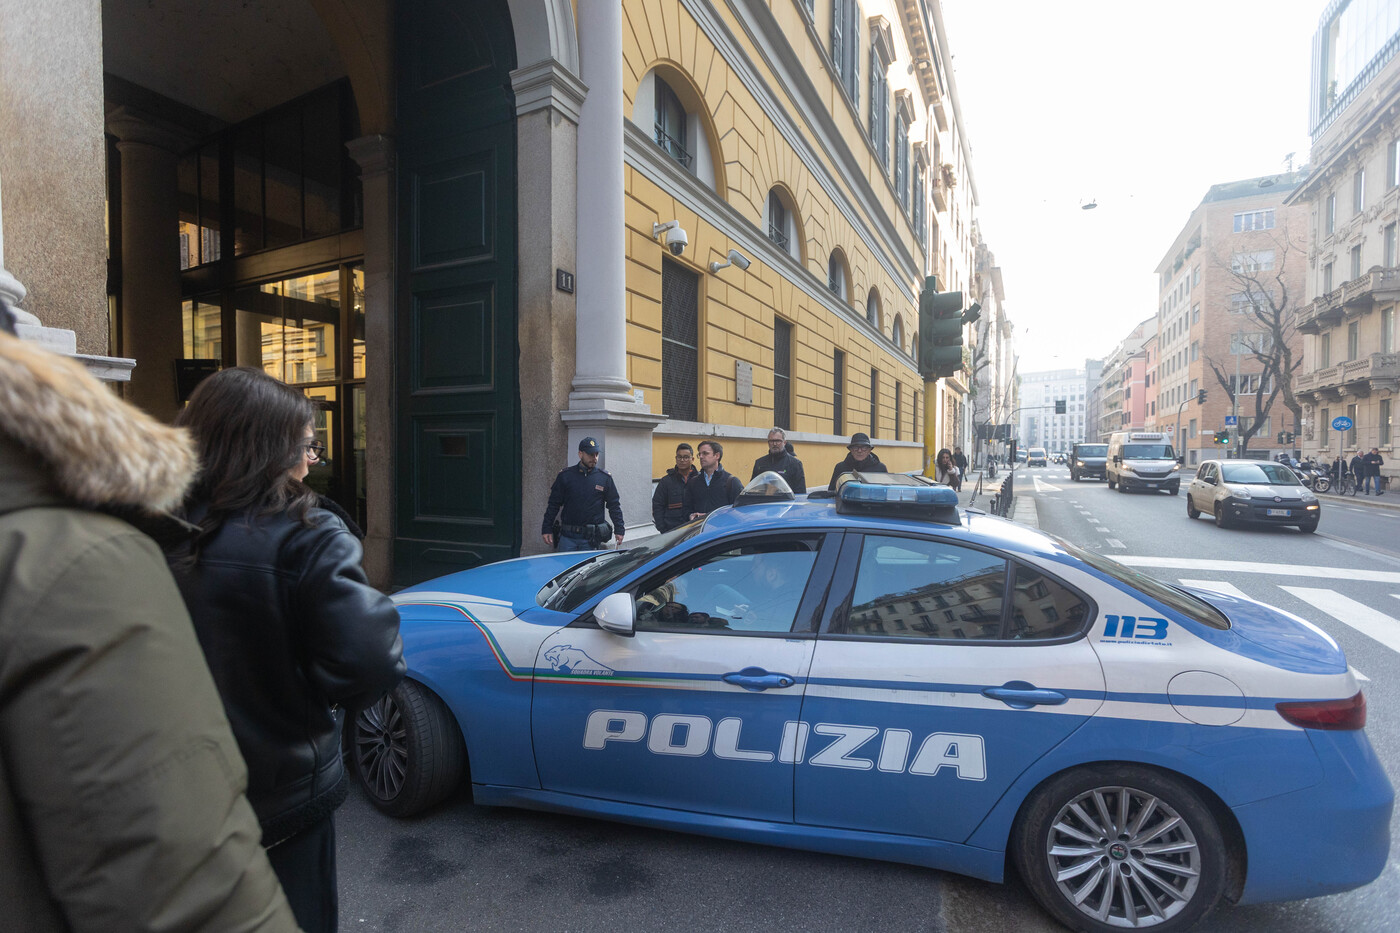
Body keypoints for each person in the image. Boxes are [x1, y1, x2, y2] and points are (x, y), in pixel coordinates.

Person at [0, 304, 299, 931]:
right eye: (304, 444)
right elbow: (184, 888)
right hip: (284, 775)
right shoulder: (76, 557)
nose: (312, 458)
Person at [168, 366, 405, 933]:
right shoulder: (307, 534)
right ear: (267, 449)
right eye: (303, 447)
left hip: (169, 799)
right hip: (280, 797)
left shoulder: (148, 527)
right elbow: (369, 663)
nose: (309, 463)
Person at [543, 436, 626, 549]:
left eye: (596, 454)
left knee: (590, 567)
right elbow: (553, 504)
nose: (594, 458)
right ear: (580, 454)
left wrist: (619, 529)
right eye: (590, 454)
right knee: (567, 567)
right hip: (568, 537)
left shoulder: (604, 478)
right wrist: (546, 528)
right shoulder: (566, 476)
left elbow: (614, 505)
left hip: (590, 540)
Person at [684, 439, 744, 519]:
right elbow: (686, 509)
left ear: (717, 456)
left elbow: (740, 512)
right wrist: (690, 515)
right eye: (700, 454)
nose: (701, 457)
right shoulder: (693, 482)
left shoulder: (731, 482)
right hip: (700, 529)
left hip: (722, 529)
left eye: (705, 453)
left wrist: (713, 516)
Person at [652, 442, 696, 532]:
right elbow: (657, 505)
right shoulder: (666, 481)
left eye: (686, 457)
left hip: (694, 529)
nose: (682, 460)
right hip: (672, 531)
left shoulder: (699, 479)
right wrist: (662, 528)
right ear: (676, 459)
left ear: (692, 459)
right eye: (679, 457)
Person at [751, 426, 807, 493]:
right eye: (771, 441)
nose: (774, 444)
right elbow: (752, 489)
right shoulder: (759, 463)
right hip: (764, 502)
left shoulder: (795, 464)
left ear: (784, 442)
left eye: (778, 441)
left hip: (786, 502)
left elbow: (800, 493)